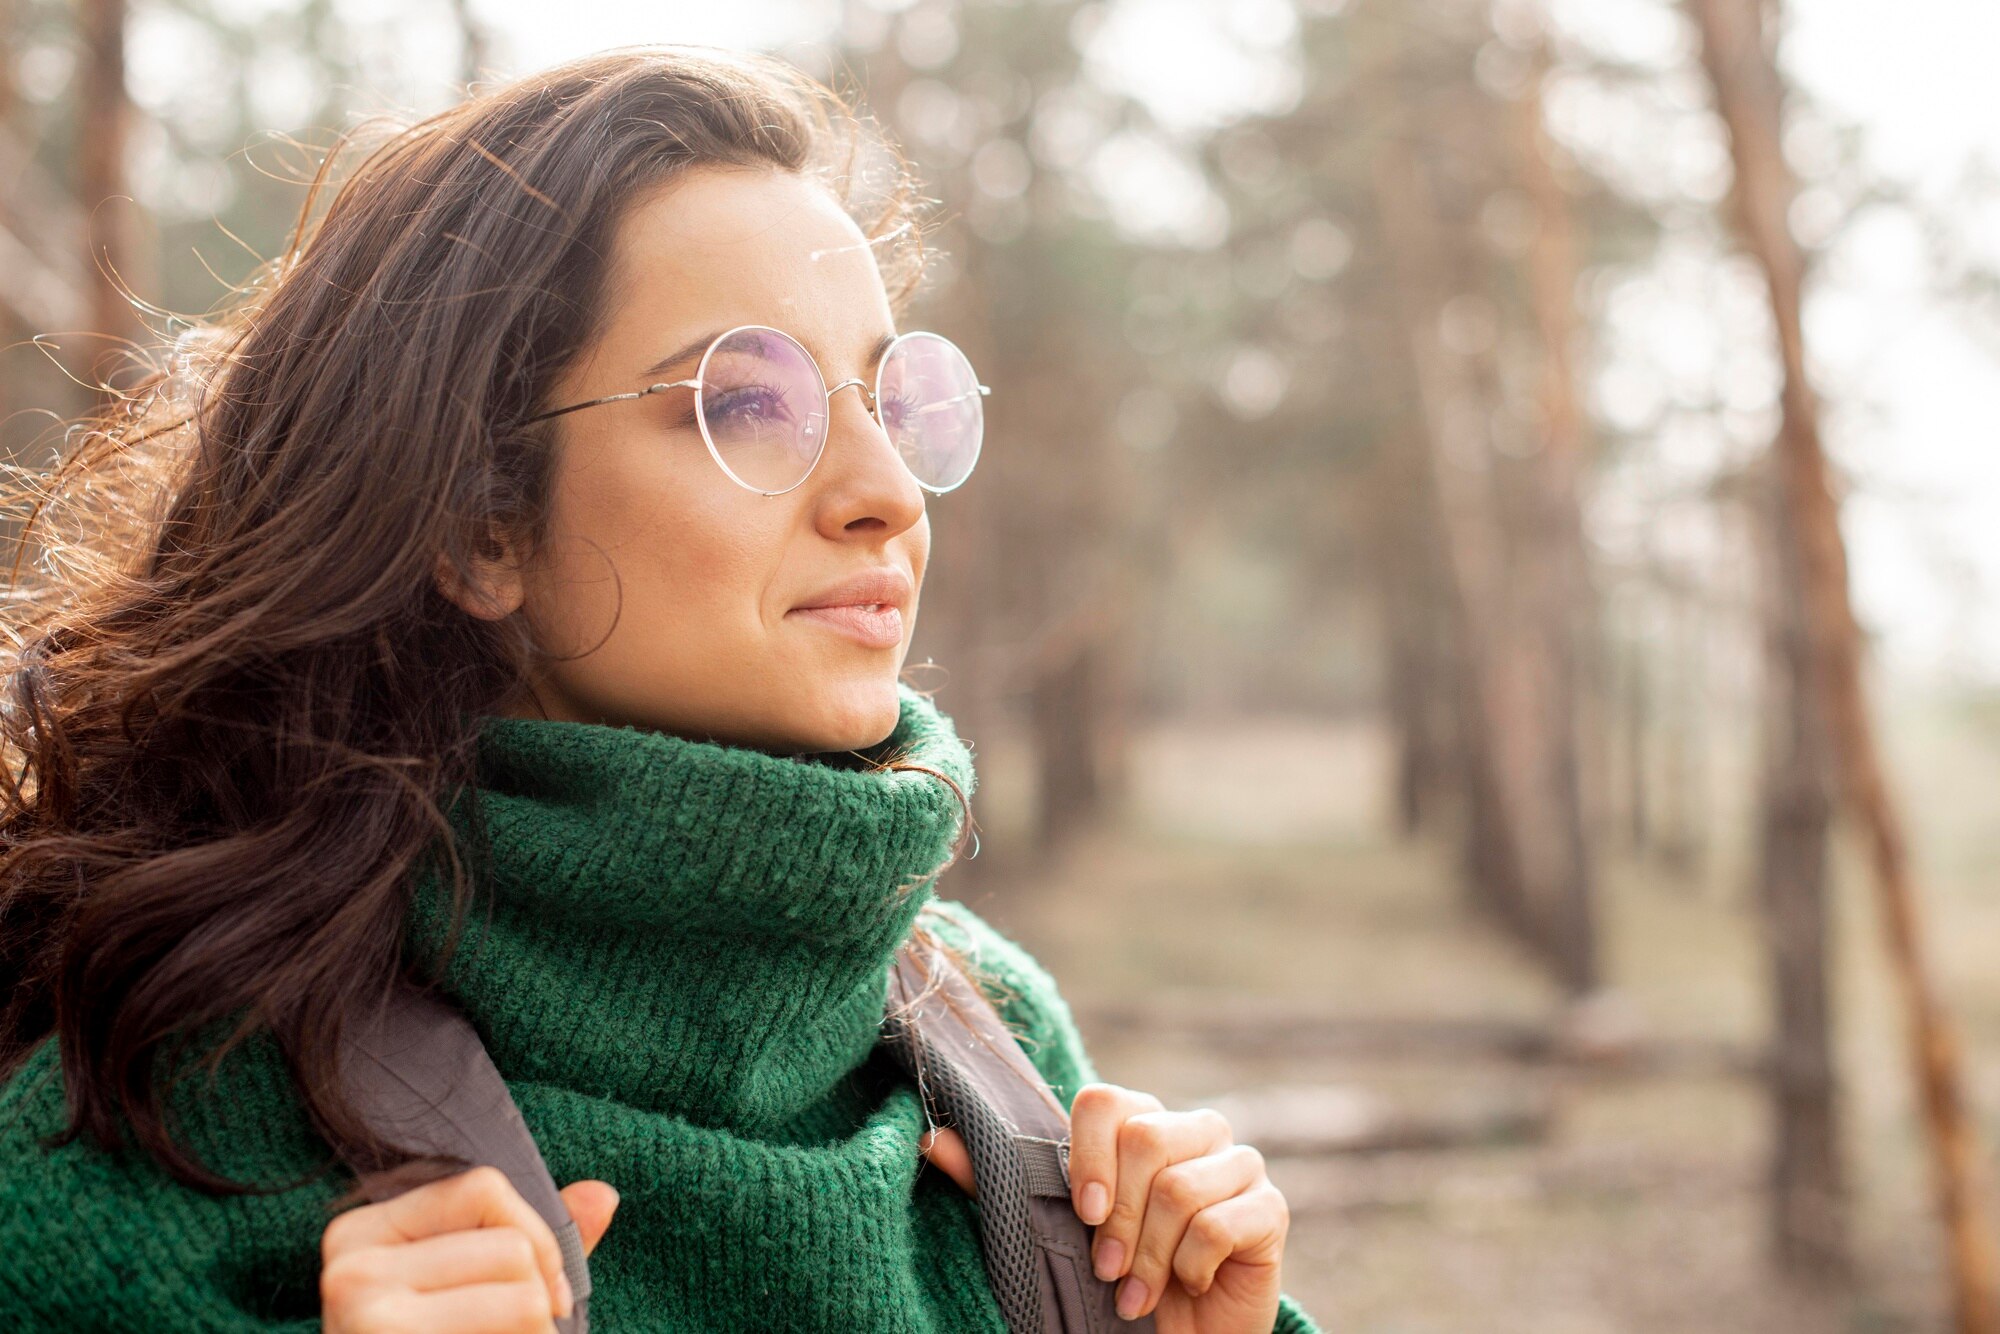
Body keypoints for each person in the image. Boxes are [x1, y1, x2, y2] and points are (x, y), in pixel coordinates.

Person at [0, 44, 1319, 1333]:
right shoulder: (147, 1118)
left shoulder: (1009, 1069)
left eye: (887, 400)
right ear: (481, 527)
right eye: (747, 403)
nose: (887, 497)